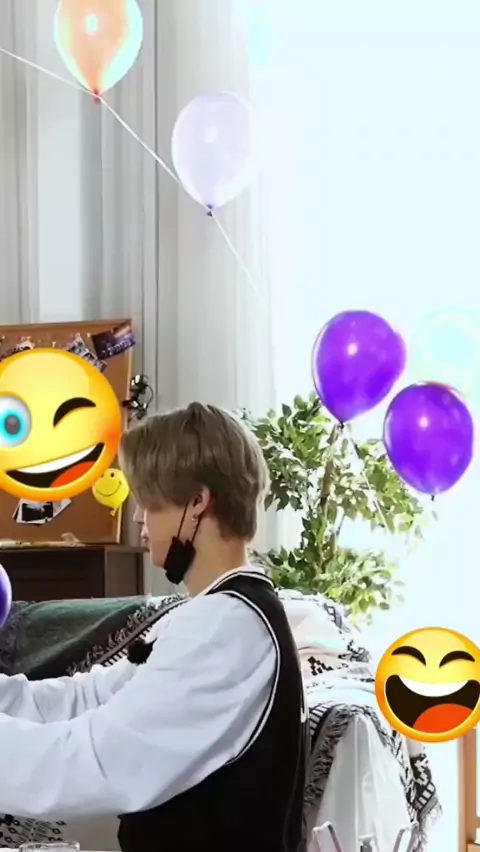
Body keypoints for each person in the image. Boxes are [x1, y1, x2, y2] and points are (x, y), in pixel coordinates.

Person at [0, 403, 307, 852]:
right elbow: (90, 697)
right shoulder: (215, 614)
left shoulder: (228, 629)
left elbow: (96, 760)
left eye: (149, 501)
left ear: (197, 502)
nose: (138, 518)